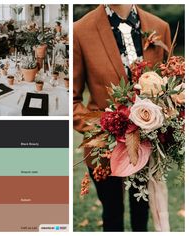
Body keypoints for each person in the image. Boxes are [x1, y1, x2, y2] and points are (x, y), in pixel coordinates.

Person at [73, 4, 171, 232]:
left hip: (149, 146)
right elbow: (73, 100)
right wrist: (104, 129)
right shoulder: (80, 30)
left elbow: (170, 91)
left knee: (142, 211)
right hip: (104, 152)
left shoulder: (160, 27)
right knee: (113, 214)